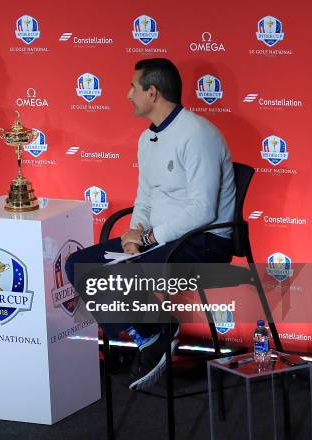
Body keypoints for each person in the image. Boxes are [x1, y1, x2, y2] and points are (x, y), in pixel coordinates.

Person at [65, 58, 236, 390]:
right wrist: (134, 234)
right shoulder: (148, 140)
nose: (128, 94)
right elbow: (145, 196)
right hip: (158, 241)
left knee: (121, 275)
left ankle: (155, 333)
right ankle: (152, 333)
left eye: (133, 87)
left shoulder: (199, 135)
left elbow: (203, 210)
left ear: (152, 92)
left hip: (204, 242)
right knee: (79, 264)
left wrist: (150, 237)